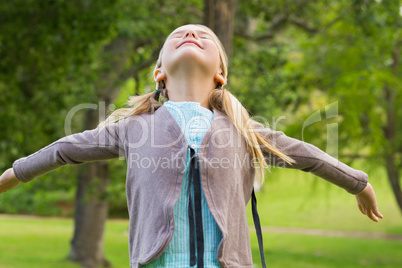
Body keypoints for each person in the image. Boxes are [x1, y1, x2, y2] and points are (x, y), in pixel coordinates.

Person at [0, 24, 383, 268]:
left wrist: (359, 183)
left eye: (204, 36)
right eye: (178, 36)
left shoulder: (245, 131)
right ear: (159, 73)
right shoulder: (134, 129)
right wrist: (15, 173)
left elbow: (307, 156)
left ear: (220, 74)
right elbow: (65, 148)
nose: (191, 35)